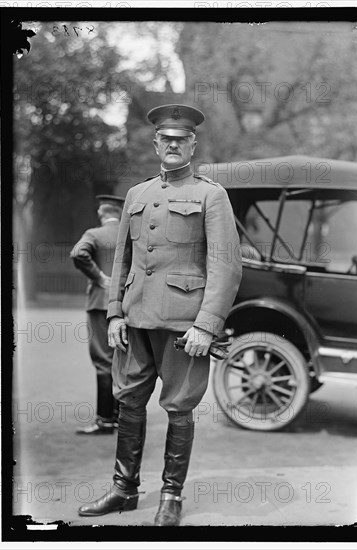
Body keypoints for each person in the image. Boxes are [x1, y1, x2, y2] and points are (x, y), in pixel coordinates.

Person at [77, 104, 242, 525]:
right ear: (156, 144)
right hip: (134, 319)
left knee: (179, 406)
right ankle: (122, 489)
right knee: (128, 402)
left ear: (192, 144)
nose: (172, 145)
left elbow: (226, 265)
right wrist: (114, 313)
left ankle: (171, 496)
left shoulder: (211, 195)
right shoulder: (138, 194)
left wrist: (207, 324)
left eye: (180, 139)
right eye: (165, 139)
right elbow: (122, 261)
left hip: (185, 324)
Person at [70, 195, 124, 435]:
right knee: (123, 361)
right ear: (119, 213)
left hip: (101, 304)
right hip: (127, 305)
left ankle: (105, 420)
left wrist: (99, 277)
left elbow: (78, 254)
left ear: (102, 214)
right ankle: (122, 418)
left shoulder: (94, 234)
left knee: (103, 361)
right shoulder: (129, 234)